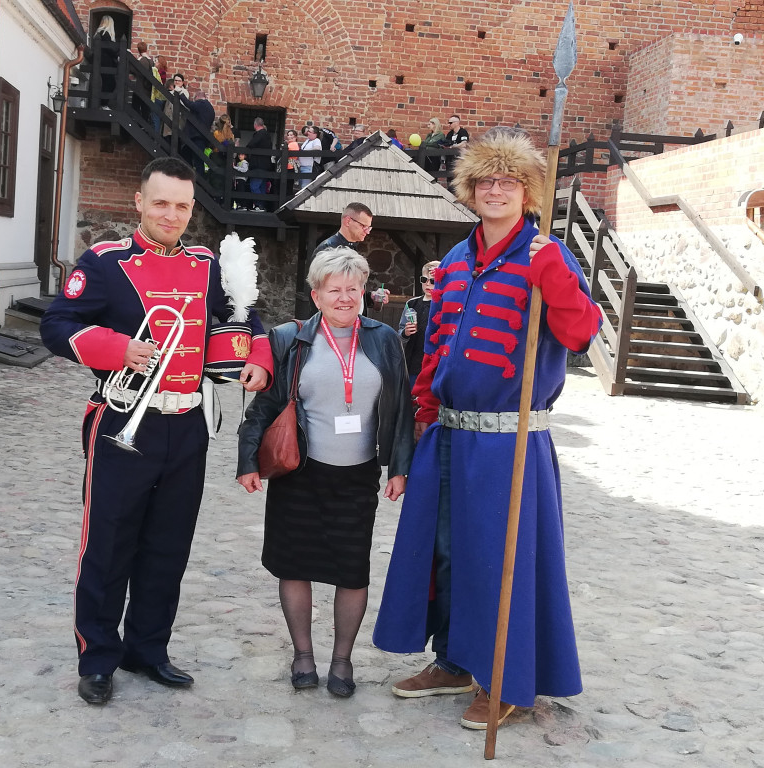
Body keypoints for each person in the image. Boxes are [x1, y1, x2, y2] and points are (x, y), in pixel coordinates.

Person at [373, 127, 602, 730]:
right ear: (470, 190)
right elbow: (436, 353)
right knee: (445, 554)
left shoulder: (546, 254)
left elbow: (581, 333)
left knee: (497, 559)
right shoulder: (453, 262)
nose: (495, 190)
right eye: (484, 181)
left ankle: (503, 678)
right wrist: (424, 418)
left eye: (508, 181)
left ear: (527, 191)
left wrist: (553, 274)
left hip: (512, 439)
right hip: (448, 433)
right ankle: (451, 661)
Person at [40, 157, 274, 707]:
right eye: (162, 202)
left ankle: (148, 649)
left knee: (168, 546)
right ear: (139, 203)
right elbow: (56, 325)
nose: (172, 214)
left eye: (183, 205)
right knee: (108, 545)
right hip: (124, 417)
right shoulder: (104, 262)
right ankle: (98, 657)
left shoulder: (206, 264)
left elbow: (246, 318)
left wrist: (258, 359)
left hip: (187, 421)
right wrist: (117, 347)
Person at [236, 246, 414, 698]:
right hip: (300, 472)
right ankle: (302, 655)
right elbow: (266, 405)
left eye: (353, 288)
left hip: (357, 477)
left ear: (363, 292)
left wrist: (399, 467)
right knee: (294, 566)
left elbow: (403, 407)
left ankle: (341, 660)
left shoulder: (384, 339)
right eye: (334, 289)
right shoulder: (292, 338)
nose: (344, 297)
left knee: (352, 571)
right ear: (316, 296)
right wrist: (248, 460)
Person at [310, 202, 389, 316]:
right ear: (347, 221)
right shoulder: (327, 249)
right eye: (363, 226)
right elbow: (318, 291)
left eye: (369, 227)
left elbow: (349, 290)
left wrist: (370, 297)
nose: (367, 231)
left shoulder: (352, 247)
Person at [399, 260, 441, 390]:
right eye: (424, 279)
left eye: (433, 281)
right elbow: (400, 333)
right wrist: (405, 333)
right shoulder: (412, 304)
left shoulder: (445, 304)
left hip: (435, 365)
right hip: (412, 362)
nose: (428, 284)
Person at [246, 117, 274, 211]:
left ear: (255, 125)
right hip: (266, 165)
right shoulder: (267, 135)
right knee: (262, 186)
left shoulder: (260, 134)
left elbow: (251, 144)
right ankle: (262, 206)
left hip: (258, 164)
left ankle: (259, 205)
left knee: (254, 186)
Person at [93, 15, 118, 107]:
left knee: (106, 83)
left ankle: (103, 104)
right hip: (106, 62)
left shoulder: (99, 34)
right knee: (109, 83)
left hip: (103, 62)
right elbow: (110, 49)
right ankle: (103, 104)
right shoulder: (105, 34)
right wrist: (118, 52)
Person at [441, 115, 470, 185]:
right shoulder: (449, 134)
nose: (449, 125)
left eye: (451, 123)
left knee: (458, 177)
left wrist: (453, 146)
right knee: (449, 177)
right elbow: (446, 144)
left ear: (457, 123)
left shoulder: (463, 132)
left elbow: (464, 144)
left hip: (459, 159)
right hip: (449, 159)